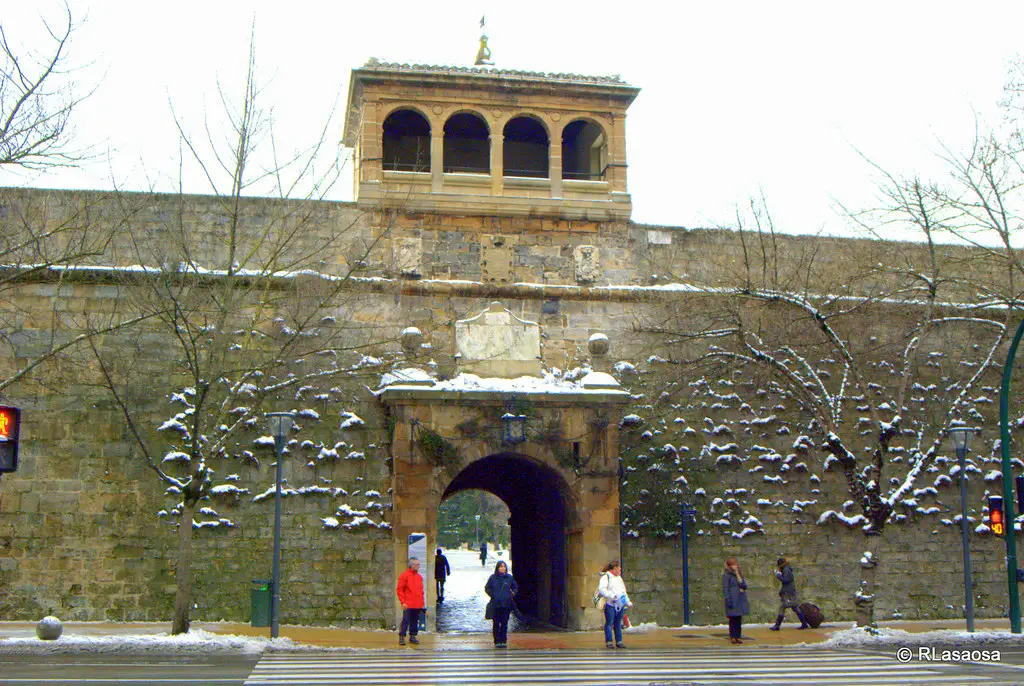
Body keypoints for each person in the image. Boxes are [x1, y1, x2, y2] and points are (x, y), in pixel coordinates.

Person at [597, 560, 632, 649]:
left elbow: (623, 591)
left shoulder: (619, 578)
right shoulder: (606, 577)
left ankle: (619, 641)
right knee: (609, 622)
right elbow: (602, 589)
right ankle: (609, 641)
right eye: (618, 567)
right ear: (614, 568)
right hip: (610, 604)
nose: (620, 569)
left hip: (620, 604)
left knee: (618, 623)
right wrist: (612, 595)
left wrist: (627, 601)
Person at [770, 556, 809, 630]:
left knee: (787, 607)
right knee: (791, 607)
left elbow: (786, 580)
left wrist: (778, 575)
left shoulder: (786, 570)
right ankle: (803, 623)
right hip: (788, 592)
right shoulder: (787, 569)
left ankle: (777, 626)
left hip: (788, 593)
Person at [484, 560, 517, 648]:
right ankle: (497, 641)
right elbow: (487, 588)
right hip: (496, 604)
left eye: (504, 566)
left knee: (504, 623)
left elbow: (514, 587)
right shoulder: (492, 578)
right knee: (496, 623)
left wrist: (512, 593)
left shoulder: (509, 578)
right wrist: (493, 595)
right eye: (501, 566)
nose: (502, 568)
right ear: (497, 568)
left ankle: (503, 640)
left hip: (506, 604)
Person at [396, 557, 425, 646]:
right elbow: (400, 590)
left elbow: (421, 591)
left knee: (415, 621)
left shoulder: (419, 577)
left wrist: (422, 604)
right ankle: (402, 636)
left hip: (417, 603)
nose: (418, 566)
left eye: (419, 564)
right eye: (416, 565)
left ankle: (413, 636)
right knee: (405, 620)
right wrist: (403, 602)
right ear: (411, 565)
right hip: (408, 603)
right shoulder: (404, 575)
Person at [722, 557, 749, 645]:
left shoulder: (739, 574)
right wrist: (728, 599)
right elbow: (725, 588)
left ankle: (738, 636)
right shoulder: (726, 575)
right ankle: (733, 636)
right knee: (732, 619)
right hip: (732, 598)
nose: (735, 566)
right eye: (733, 565)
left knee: (738, 618)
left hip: (739, 599)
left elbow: (744, 585)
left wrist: (737, 573)